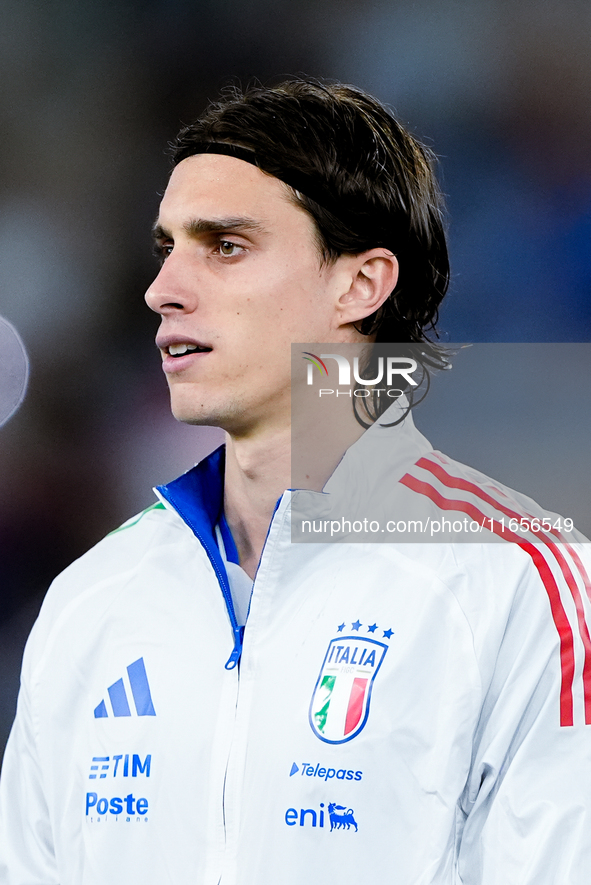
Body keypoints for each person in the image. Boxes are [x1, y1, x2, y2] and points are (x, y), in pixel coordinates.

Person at [0, 79, 590, 884]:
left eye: (226, 246)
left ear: (359, 285)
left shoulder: (516, 580)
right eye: (167, 246)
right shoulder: (90, 601)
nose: (163, 288)